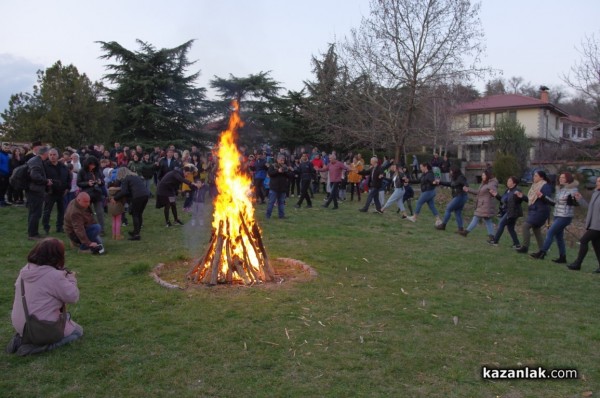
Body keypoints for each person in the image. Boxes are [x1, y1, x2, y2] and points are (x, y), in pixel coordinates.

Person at [5, 238, 83, 356]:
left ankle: (21, 339)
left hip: (21, 324)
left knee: (64, 319)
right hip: (39, 327)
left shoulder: (25, 270)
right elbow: (73, 297)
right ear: (56, 256)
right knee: (77, 332)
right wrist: (71, 279)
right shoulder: (53, 275)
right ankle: (33, 348)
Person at [530, 172, 580, 262]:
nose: (560, 179)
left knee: (550, 232)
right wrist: (543, 196)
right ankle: (562, 257)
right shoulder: (560, 189)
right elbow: (554, 202)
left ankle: (542, 252)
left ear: (568, 179)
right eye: (560, 177)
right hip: (557, 215)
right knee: (559, 237)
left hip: (565, 216)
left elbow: (575, 202)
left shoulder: (572, 190)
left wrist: (575, 199)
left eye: (563, 178)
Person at [515, 170, 553, 254]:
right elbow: (531, 200)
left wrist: (542, 196)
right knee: (536, 229)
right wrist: (522, 197)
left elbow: (547, 199)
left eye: (536, 176)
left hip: (541, 211)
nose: (533, 177)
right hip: (534, 210)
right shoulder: (534, 186)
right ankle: (543, 250)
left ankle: (525, 247)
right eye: (534, 175)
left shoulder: (545, 186)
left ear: (541, 177)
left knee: (525, 226)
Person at [568, 177, 600, 272]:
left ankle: (578, 264)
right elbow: (589, 207)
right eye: (597, 181)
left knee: (583, 240)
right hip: (592, 224)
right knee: (596, 244)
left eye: (599, 181)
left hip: (597, 225)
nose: (597, 183)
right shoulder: (596, 193)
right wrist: (580, 199)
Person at [458, 170, 498, 241]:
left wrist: (492, 193)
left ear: (487, 176)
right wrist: (468, 190)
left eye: (484, 175)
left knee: (476, 217)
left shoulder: (492, 183)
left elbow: (494, 193)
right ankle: (492, 237)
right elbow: (478, 192)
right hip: (483, 205)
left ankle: (466, 232)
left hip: (485, 205)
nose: (482, 177)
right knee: (487, 220)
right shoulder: (484, 183)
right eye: (482, 175)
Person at [112, 167, 151, 240]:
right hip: (145, 195)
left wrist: (115, 198)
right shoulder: (135, 176)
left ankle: (136, 235)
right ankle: (136, 232)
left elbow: (124, 191)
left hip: (138, 196)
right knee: (139, 214)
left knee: (135, 214)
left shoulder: (126, 179)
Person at [488, 176, 524, 247]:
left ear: (514, 184)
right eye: (508, 181)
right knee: (510, 228)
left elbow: (519, 200)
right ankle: (517, 244)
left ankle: (495, 241)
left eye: (510, 181)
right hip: (509, 211)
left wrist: (520, 197)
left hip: (513, 212)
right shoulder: (508, 190)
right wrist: (496, 195)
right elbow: (503, 200)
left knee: (501, 224)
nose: (508, 182)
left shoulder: (516, 191)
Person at [42, 148, 70, 234]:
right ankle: (46, 228)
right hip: (50, 192)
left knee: (61, 211)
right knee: (47, 211)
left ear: (58, 156)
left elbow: (68, 178)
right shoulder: (44, 166)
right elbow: (42, 178)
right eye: (50, 155)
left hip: (61, 192)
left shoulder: (63, 166)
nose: (52, 156)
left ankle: (59, 227)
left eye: (54, 155)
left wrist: (67, 188)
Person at [26, 146, 52, 240]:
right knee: (35, 213)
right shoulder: (36, 162)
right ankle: (33, 234)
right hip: (35, 190)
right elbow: (35, 176)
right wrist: (46, 181)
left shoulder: (35, 160)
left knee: (33, 212)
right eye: (48, 153)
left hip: (33, 189)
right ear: (45, 153)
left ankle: (32, 232)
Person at [76, 155, 106, 235]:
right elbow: (78, 183)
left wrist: (100, 182)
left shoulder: (97, 171)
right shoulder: (82, 171)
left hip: (97, 194)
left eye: (94, 165)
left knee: (100, 212)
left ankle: (101, 230)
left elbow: (103, 181)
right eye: (91, 164)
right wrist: (87, 183)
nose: (92, 166)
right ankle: (87, 229)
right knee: (86, 213)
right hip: (87, 194)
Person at [266, 154, 293, 219]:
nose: (282, 161)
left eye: (283, 160)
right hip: (274, 187)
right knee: (271, 202)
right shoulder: (273, 166)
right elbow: (270, 173)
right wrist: (278, 171)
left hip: (282, 187)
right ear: (277, 160)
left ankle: (281, 216)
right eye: (281, 160)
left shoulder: (285, 166)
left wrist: (286, 171)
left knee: (281, 203)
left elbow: (290, 176)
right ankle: (268, 216)